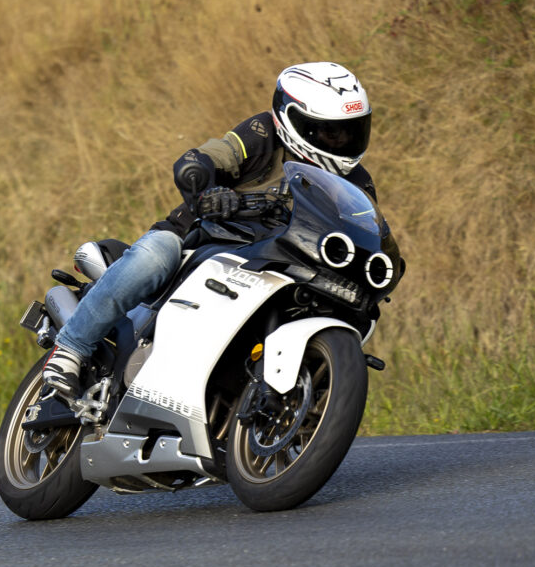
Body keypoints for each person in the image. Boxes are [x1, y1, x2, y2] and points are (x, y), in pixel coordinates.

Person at [42, 61, 378, 396]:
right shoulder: (263, 136)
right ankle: (70, 349)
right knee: (157, 255)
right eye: (330, 132)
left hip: (276, 262)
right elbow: (203, 159)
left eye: (351, 131)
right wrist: (206, 191)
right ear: (293, 120)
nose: (341, 141)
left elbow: (365, 233)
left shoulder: (357, 183)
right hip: (204, 236)